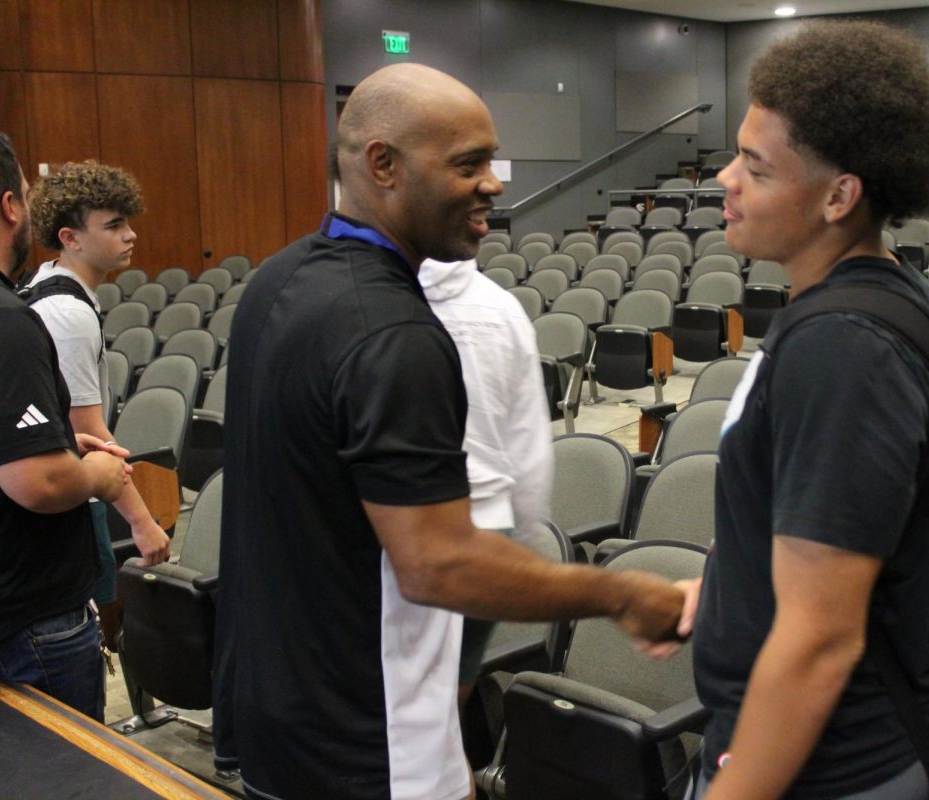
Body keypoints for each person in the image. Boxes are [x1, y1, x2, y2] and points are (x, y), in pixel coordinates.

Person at [213, 63, 684, 800]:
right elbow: (438, 565)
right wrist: (620, 594)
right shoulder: (395, 336)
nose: (494, 183)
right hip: (367, 740)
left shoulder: (278, 280)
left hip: (276, 717)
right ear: (383, 165)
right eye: (468, 165)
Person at [671, 22, 929, 800]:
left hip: (831, 768)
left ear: (840, 195)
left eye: (756, 169)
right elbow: (840, 528)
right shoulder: (877, 296)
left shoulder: (843, 349)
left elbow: (820, 642)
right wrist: (733, 587)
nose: (725, 179)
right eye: (736, 154)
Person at [0, 132, 132, 721]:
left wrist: (54, 442)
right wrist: (94, 473)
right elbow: (40, 484)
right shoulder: (6, 320)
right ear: (9, 207)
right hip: (28, 619)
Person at [25, 161, 171, 651]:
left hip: (62, 498)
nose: (130, 235)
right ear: (70, 237)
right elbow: (89, 435)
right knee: (87, 640)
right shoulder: (67, 314)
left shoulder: (53, 288)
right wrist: (142, 522)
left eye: (128, 222)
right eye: (113, 225)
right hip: (67, 508)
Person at [417, 256, 553, 714]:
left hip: (406, 525)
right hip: (487, 528)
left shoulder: (383, 301)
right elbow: (529, 446)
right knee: (445, 709)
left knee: (396, 711)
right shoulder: (504, 309)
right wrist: (524, 546)